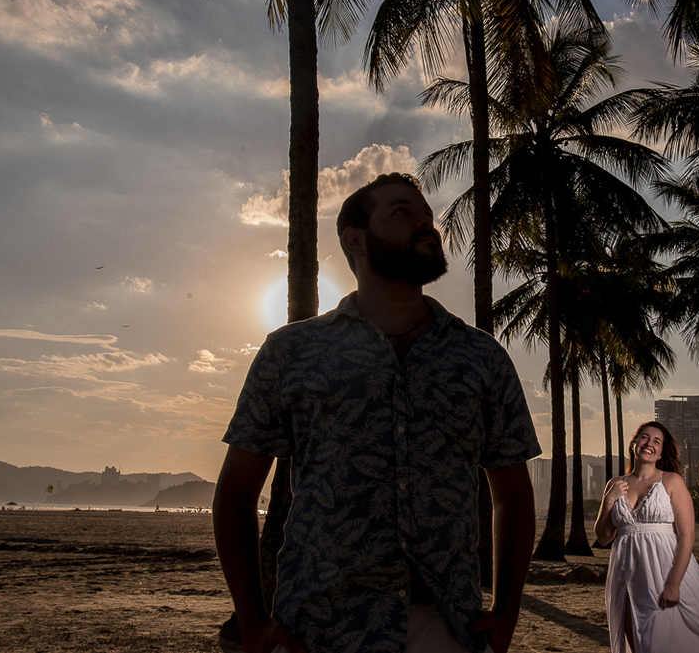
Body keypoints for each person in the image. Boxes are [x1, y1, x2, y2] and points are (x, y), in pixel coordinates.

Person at [213, 172, 541, 653]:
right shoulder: (292, 352)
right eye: (402, 212)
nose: (425, 224)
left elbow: (512, 495)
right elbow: (236, 495)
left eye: (427, 215)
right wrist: (251, 623)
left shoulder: (481, 358)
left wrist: (507, 613)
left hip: (447, 626)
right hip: (320, 630)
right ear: (355, 240)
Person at [594, 421, 699, 653]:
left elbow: (687, 536)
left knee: (669, 641)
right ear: (634, 443)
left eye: (656, 441)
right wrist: (608, 500)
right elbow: (604, 537)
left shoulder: (671, 481)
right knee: (635, 641)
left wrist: (674, 584)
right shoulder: (616, 484)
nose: (649, 444)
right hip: (625, 574)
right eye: (644, 437)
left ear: (661, 451)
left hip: (664, 572)